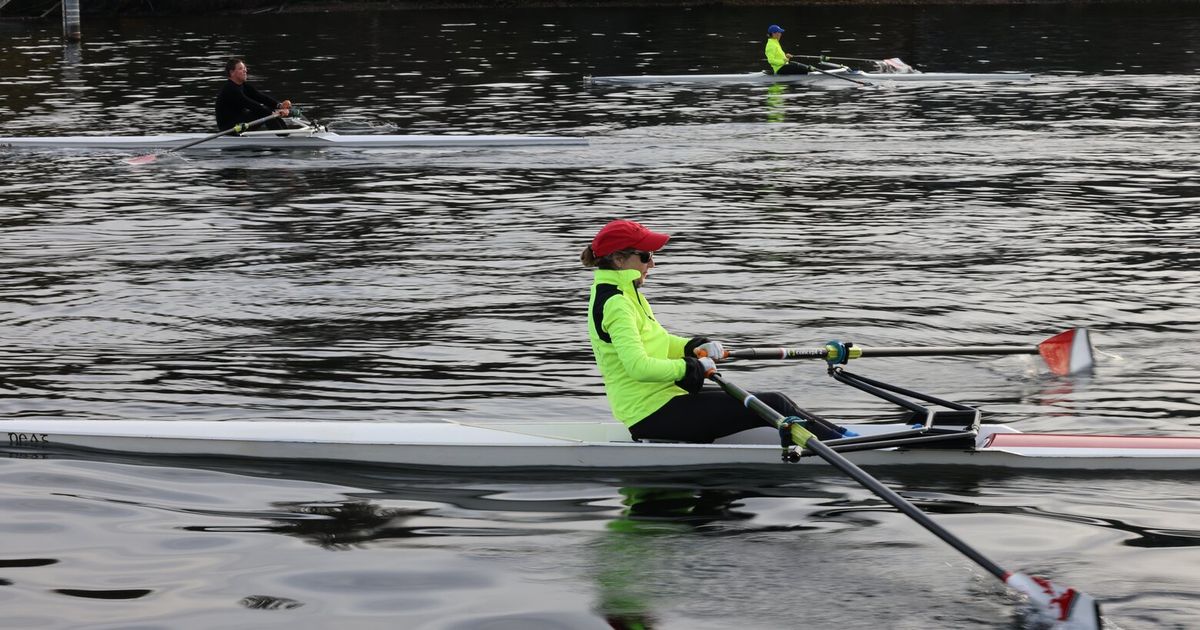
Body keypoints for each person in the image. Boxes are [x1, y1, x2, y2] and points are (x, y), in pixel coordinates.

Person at [582, 219, 851, 443]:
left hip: (665, 398)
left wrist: (695, 346)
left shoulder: (625, 293)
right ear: (618, 260)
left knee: (774, 402)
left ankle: (844, 437)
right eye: (645, 256)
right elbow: (638, 368)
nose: (652, 264)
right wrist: (692, 368)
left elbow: (659, 342)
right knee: (774, 405)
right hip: (651, 413)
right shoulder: (616, 303)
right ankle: (849, 448)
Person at [215, 57, 291, 131]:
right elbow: (251, 105)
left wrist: (279, 105)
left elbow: (259, 97)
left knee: (267, 109)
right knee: (264, 111)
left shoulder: (243, 85)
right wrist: (273, 113)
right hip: (228, 127)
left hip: (239, 121)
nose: (245, 70)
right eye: (241, 69)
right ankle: (282, 136)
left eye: (245, 68)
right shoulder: (230, 89)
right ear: (232, 72)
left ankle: (285, 133)